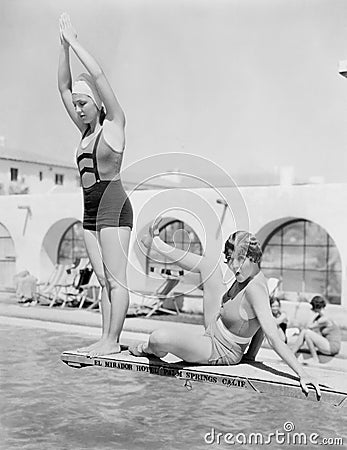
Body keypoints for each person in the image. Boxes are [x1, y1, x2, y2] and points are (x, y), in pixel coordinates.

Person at [130, 219, 321, 398]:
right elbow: (259, 323)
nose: (234, 267)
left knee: (158, 338)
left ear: (254, 258)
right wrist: (251, 356)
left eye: (240, 259)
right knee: (209, 266)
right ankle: (155, 243)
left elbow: (272, 335)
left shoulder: (256, 290)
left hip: (219, 349)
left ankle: (148, 348)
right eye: (230, 259)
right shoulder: (247, 276)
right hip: (216, 322)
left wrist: (302, 374)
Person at [58, 13, 133, 357]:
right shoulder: (85, 132)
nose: (78, 109)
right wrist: (62, 48)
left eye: (84, 103)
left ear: (99, 104)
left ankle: (113, 342)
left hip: (114, 205)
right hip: (90, 210)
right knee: (103, 280)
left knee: (117, 280)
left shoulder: (114, 124)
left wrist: (75, 42)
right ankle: (105, 339)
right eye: (76, 105)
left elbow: (99, 76)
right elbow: (62, 87)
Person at [291, 295, 341, 364]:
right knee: (307, 335)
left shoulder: (324, 319)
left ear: (315, 307)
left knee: (306, 332)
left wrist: (313, 314)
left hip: (332, 347)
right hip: (330, 346)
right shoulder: (323, 316)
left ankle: (290, 354)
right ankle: (314, 358)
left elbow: (308, 327)